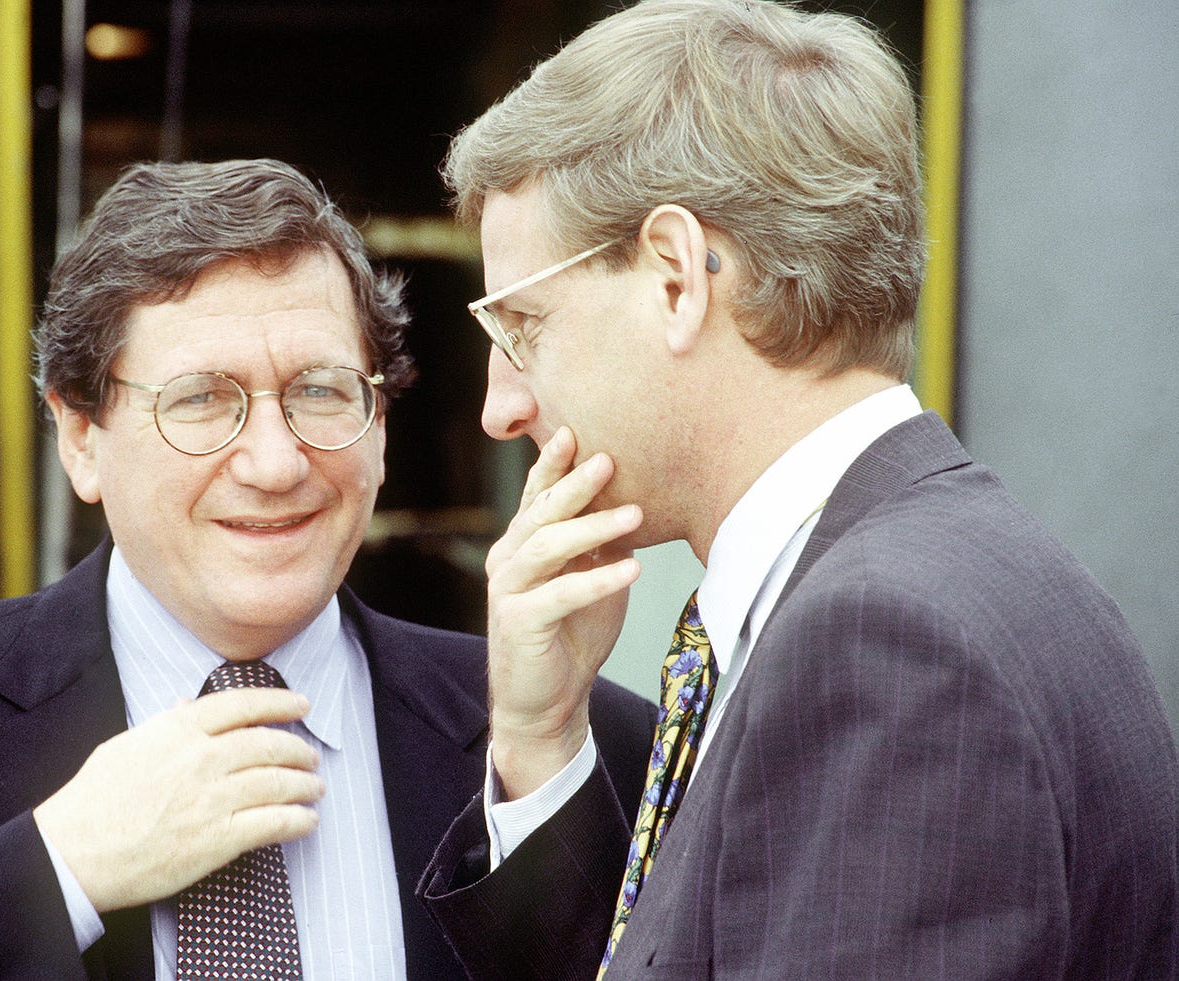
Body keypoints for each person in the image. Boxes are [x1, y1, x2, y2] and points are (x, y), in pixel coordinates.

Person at [0, 158, 656, 980]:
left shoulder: (580, 747)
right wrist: (59, 871)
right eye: (203, 400)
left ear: (380, 424)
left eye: (321, 391)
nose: (276, 462)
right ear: (81, 436)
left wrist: (537, 760)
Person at [415, 1, 1179, 978]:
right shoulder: (929, 576)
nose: (499, 407)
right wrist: (540, 739)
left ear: (676, 275)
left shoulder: (884, 639)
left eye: (523, 325)